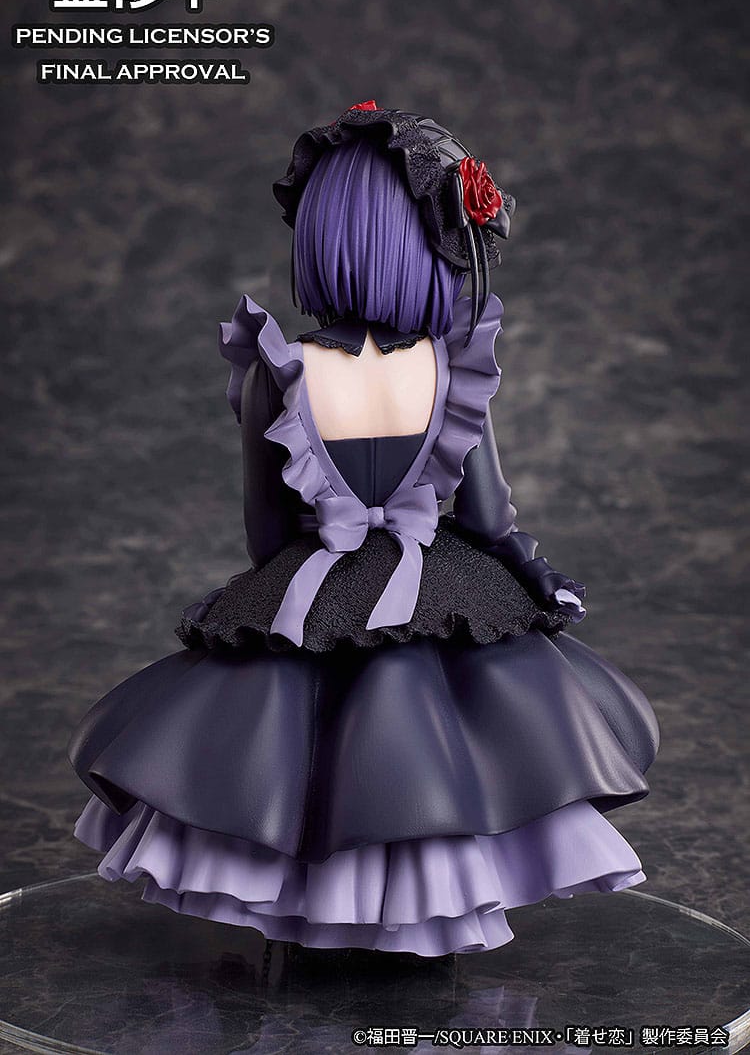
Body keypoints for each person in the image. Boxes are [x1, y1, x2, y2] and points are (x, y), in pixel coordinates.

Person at [68, 102, 660, 956]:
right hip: (438, 575)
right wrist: (529, 575)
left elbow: (266, 530)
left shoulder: (282, 369)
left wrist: (289, 592)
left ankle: (310, 916)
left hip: (315, 580)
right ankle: (427, 915)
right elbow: (486, 513)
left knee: (296, 764)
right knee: (448, 756)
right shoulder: (450, 364)